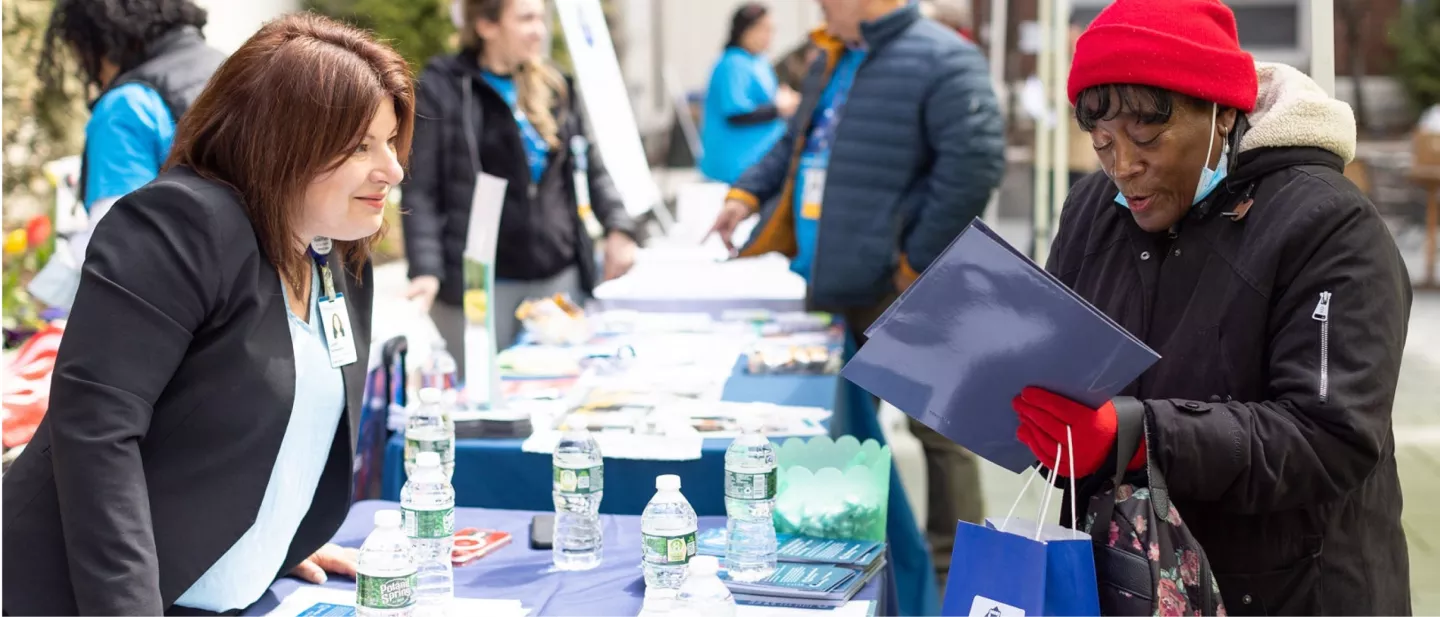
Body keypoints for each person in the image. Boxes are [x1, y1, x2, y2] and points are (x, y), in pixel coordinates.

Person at [2, 13, 413, 615]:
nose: (393, 171)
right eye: (361, 146)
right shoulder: (181, 225)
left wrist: (271, 534)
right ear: (283, 141)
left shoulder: (339, 250)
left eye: (389, 142)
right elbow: (97, 434)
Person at [1011, 0, 1411, 614]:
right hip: (1129, 578)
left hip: (1286, 590)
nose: (1124, 167)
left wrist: (1139, 436)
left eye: (1146, 138)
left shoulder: (1329, 225)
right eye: (1102, 143)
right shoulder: (1092, 209)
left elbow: (1331, 436)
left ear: (1222, 113)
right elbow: (1065, 358)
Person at [706, 0, 1006, 588]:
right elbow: (795, 144)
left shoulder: (943, 59)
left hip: (905, 284)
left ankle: (957, 573)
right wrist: (745, 195)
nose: (816, 7)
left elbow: (974, 163)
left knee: (937, 431)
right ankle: (852, 566)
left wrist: (914, 260)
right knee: (842, 435)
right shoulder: (831, 56)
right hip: (835, 282)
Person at [405, 0, 642, 363]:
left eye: (541, 19)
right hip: (485, 284)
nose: (540, 30)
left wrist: (619, 226)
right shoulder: (445, 87)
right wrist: (425, 269)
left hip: (558, 276)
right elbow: (421, 187)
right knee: (490, 406)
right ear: (486, 25)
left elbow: (588, 162)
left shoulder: (554, 84)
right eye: (526, 19)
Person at [37, 0, 226, 281]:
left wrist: (48, 289)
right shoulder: (232, 72)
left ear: (101, 40)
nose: (90, 74)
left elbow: (116, 243)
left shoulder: (126, 106)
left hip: (184, 308)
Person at [698, 3, 800, 185]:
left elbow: (768, 97)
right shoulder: (733, 64)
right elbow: (737, 113)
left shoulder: (759, 61)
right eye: (763, 29)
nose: (768, 36)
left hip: (760, 164)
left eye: (771, 30)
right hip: (736, 168)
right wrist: (779, 109)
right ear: (744, 30)